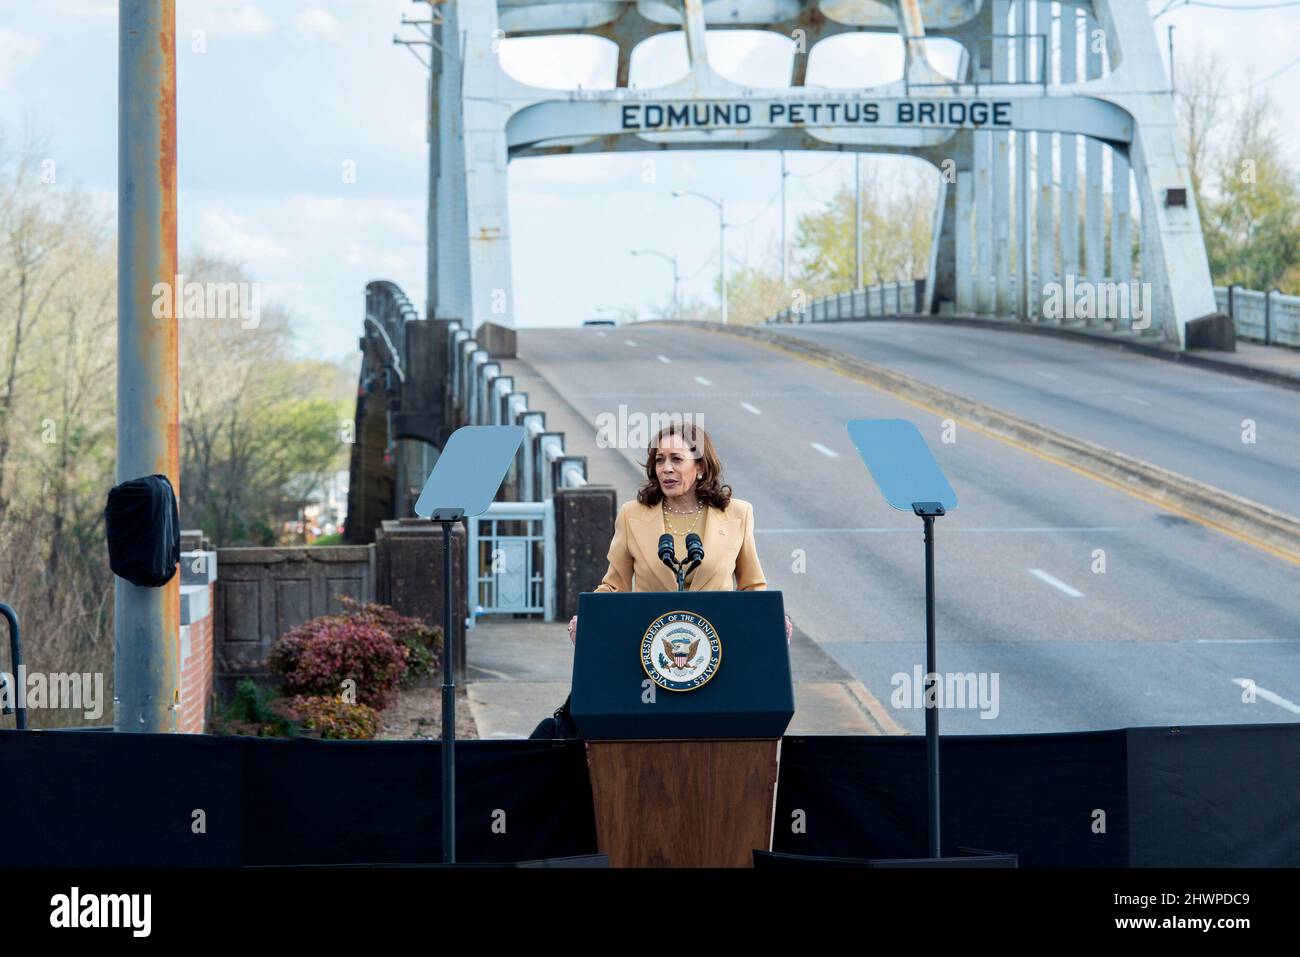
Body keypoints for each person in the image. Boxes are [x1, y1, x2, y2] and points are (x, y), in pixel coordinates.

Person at [568, 420, 792, 644]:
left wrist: (772, 617)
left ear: (701, 467)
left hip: (719, 645)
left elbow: (752, 588)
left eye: (676, 459)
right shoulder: (631, 515)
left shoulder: (737, 514)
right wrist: (589, 616)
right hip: (651, 646)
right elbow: (615, 587)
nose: (666, 468)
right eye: (659, 460)